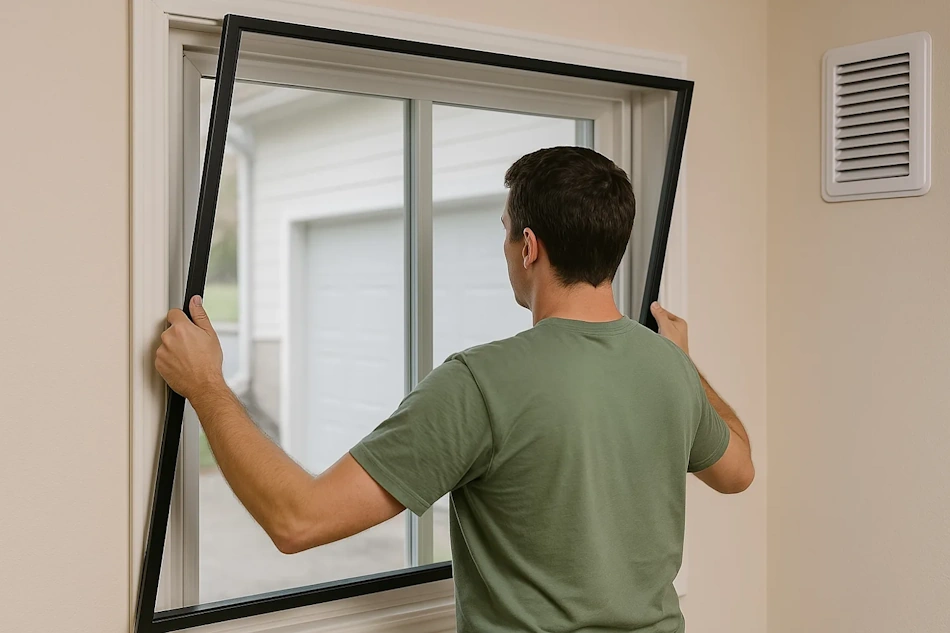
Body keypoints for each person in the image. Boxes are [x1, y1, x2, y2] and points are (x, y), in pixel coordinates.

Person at [155, 146, 754, 632]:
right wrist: (685, 361)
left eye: (503, 233)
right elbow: (739, 470)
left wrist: (207, 385)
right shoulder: (669, 369)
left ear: (528, 247)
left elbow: (298, 520)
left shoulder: (481, 383)